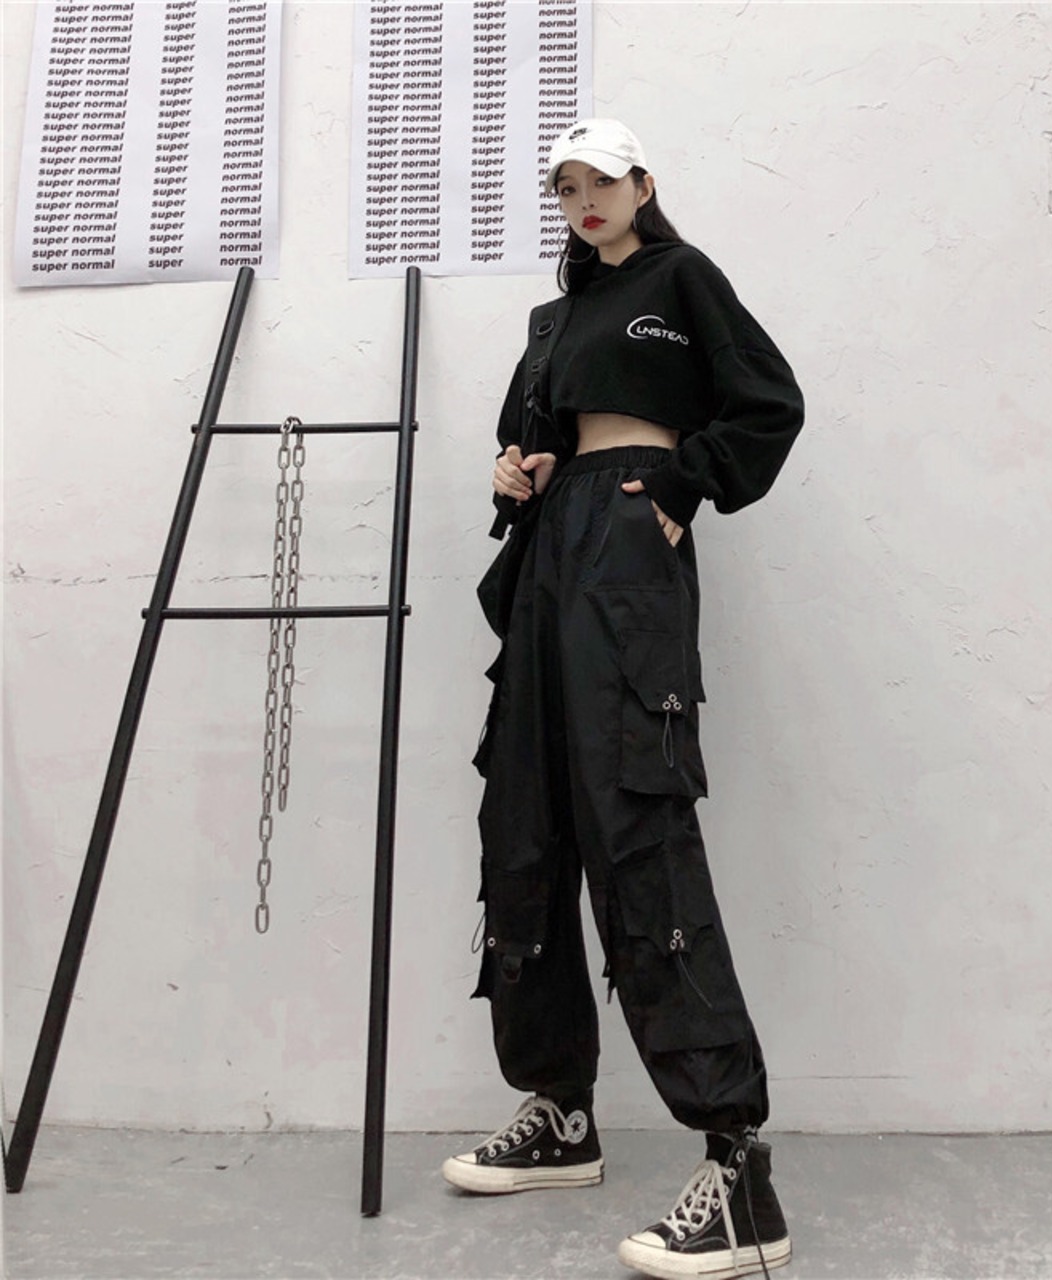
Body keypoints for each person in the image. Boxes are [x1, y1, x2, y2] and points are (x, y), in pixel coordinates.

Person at [442, 118, 804, 1280]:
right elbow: (534, 438)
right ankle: (560, 1108)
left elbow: (765, 401)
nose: (583, 198)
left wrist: (680, 486)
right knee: (524, 824)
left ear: (643, 184)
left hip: (630, 544)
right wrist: (517, 467)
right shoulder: (554, 320)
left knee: (636, 821)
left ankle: (737, 1163)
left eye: (601, 179)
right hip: (553, 549)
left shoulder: (678, 279)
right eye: (565, 186)